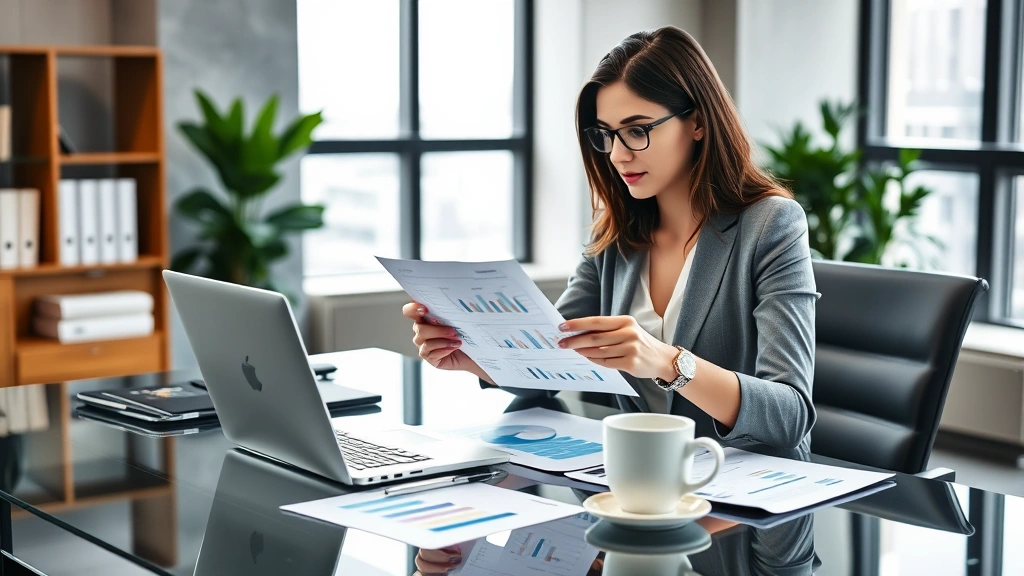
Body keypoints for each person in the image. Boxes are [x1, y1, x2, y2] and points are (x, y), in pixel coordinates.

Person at [403, 26, 817, 456]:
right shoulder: (617, 233)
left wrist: (666, 362)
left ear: (696, 122)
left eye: (637, 130)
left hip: (743, 491)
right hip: (638, 480)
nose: (618, 154)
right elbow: (553, 359)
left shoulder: (771, 225)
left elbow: (789, 416)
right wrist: (474, 357)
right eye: (605, 134)